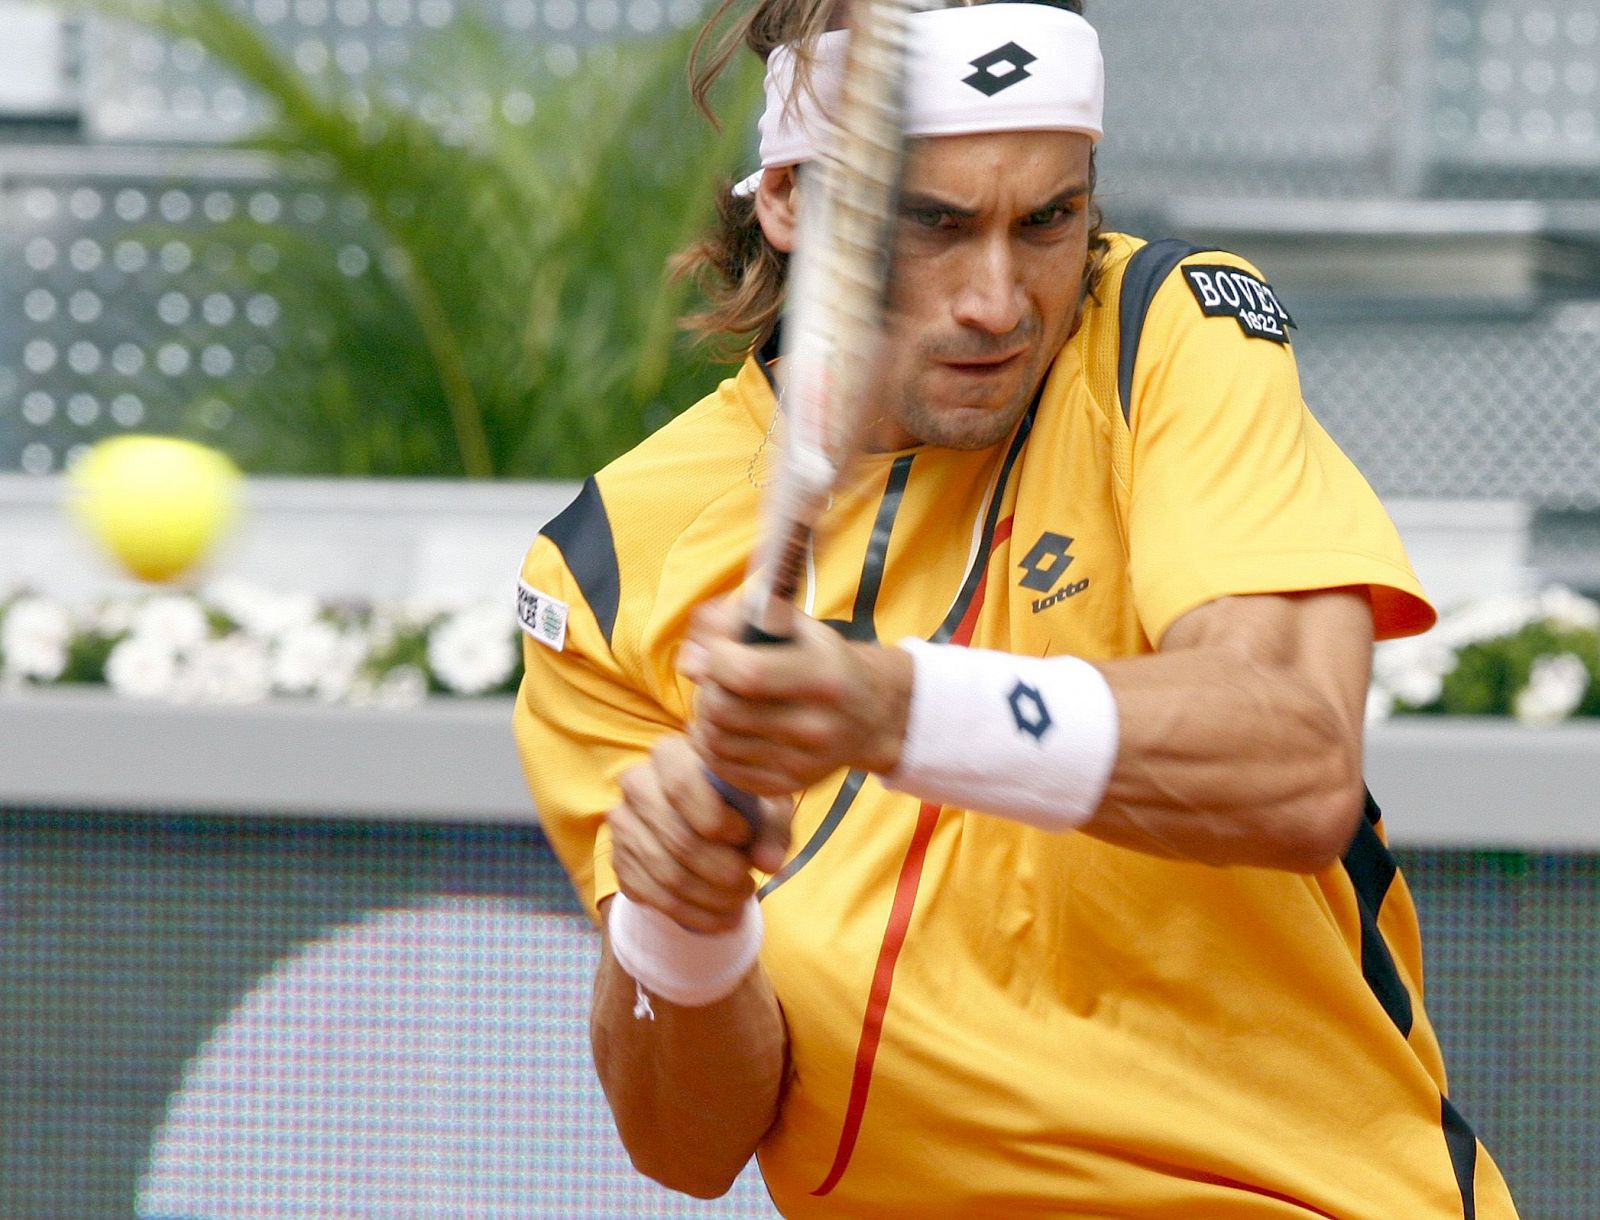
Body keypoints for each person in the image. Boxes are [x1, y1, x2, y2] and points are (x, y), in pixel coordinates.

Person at [513, 1, 1521, 1214]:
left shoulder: (1165, 330)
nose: (998, 301)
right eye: (931, 225)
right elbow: (685, 1142)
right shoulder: (606, 560)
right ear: (785, 198)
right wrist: (682, 928)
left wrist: (884, 704)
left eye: (1047, 219)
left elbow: (1295, 755)